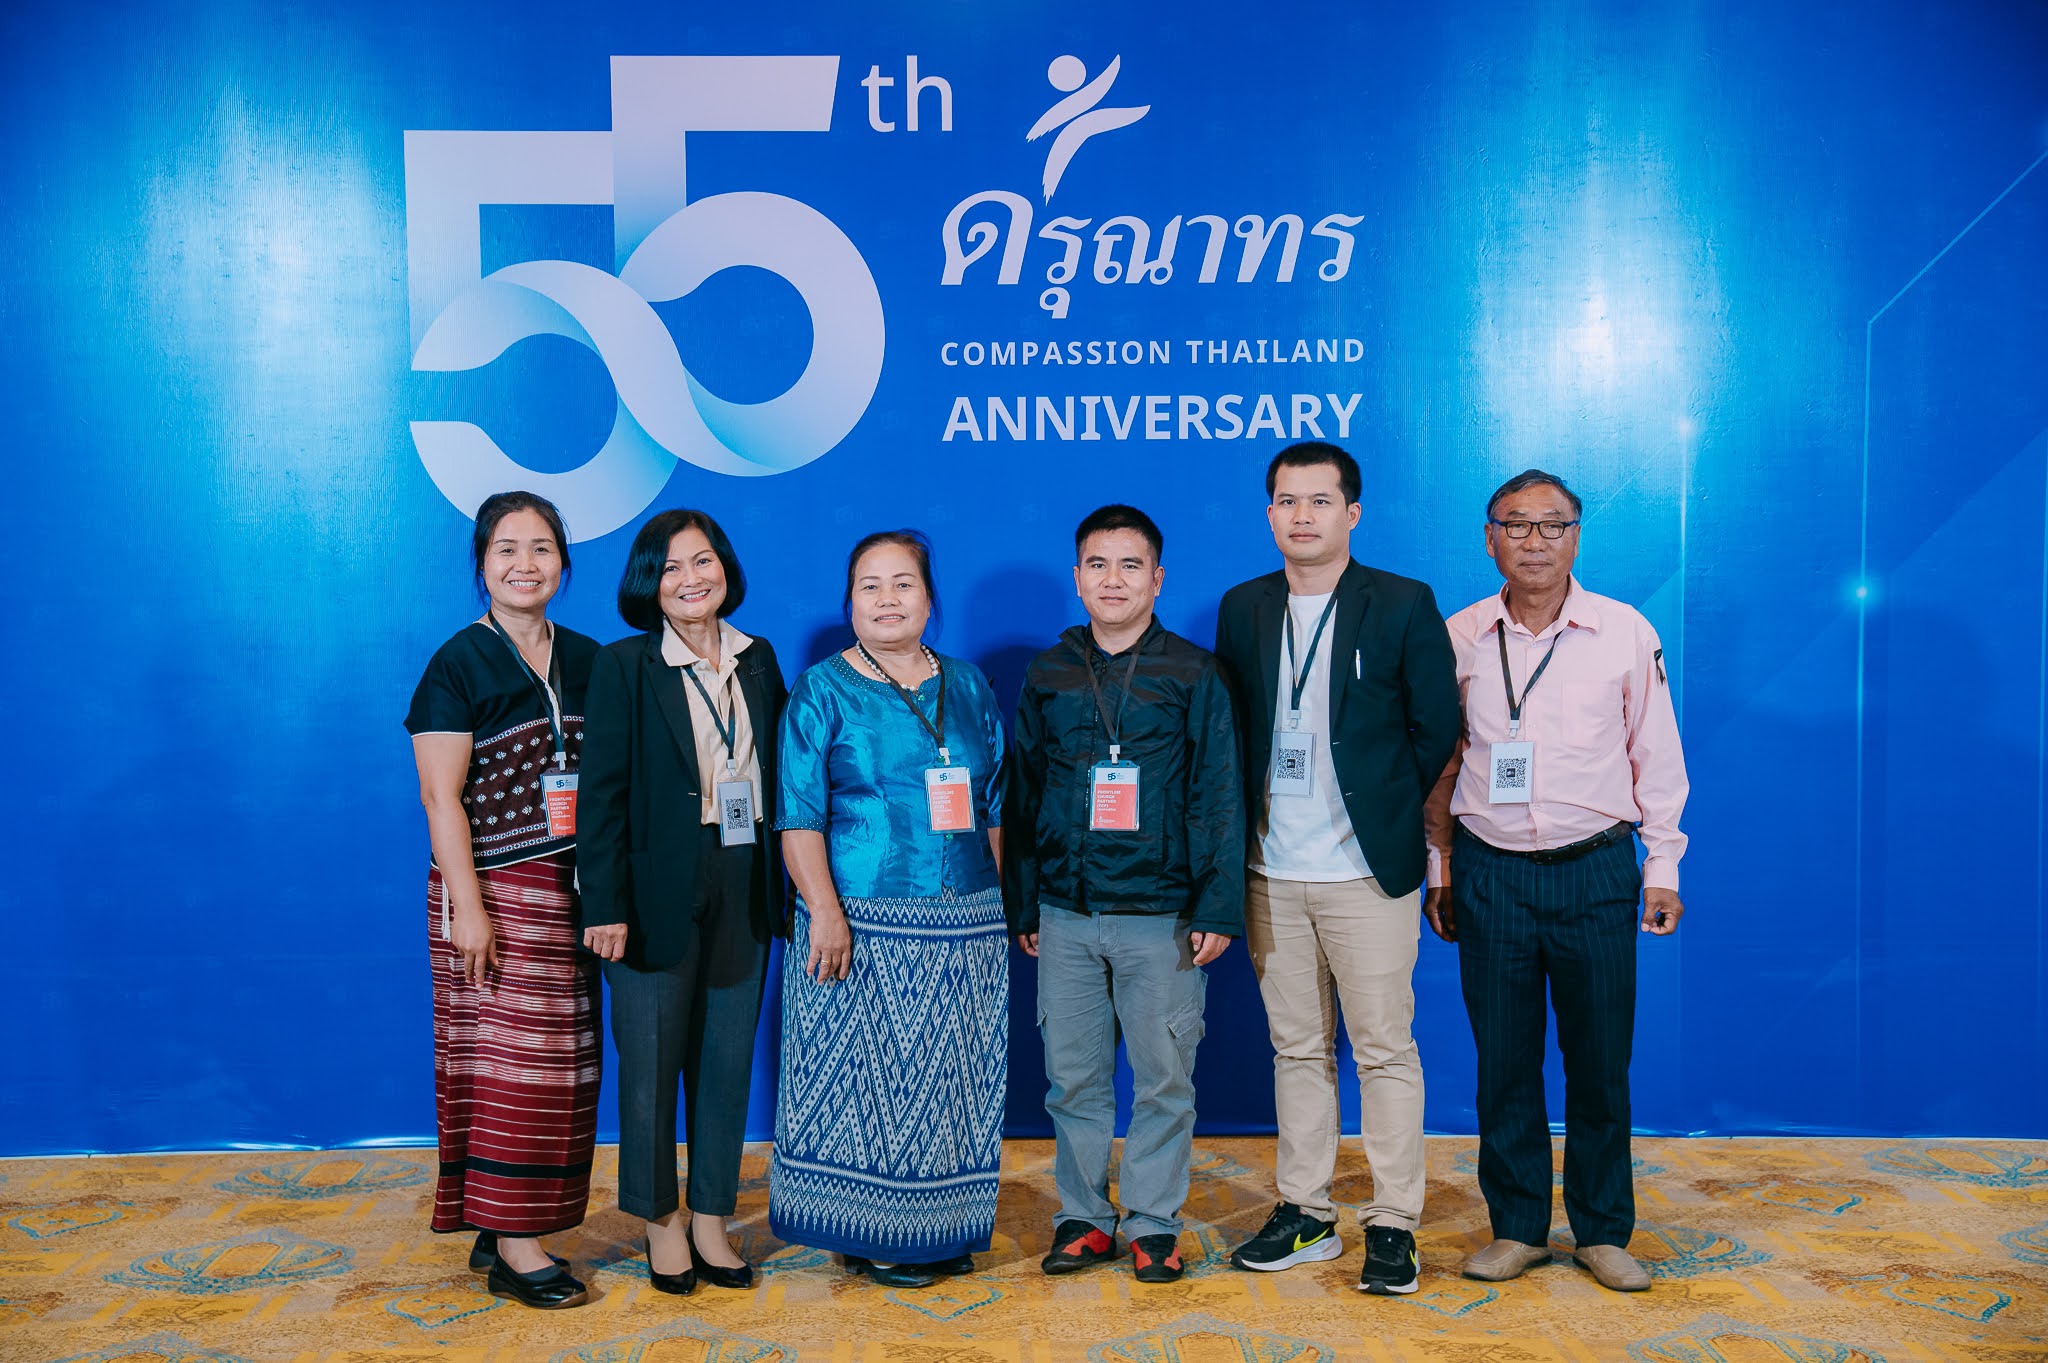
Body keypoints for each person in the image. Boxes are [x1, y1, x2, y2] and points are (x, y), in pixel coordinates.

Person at [1422, 470, 1688, 1294]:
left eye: (1552, 525)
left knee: (1600, 1061)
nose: (1534, 541)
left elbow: (1656, 753)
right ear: (1490, 537)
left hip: (1596, 870)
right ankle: (1518, 1226)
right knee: (1504, 1061)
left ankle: (1603, 1230)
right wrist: (1440, 866)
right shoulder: (1459, 635)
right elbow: (1440, 763)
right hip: (1490, 871)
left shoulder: (1622, 630)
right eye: (1516, 524)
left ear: (1576, 536)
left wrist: (1662, 864)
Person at [1212, 442, 1461, 1295]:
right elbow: (1235, 729)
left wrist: (1385, 808)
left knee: (1385, 1049)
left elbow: (1436, 726)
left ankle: (1393, 1221)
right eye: (1287, 501)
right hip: (1270, 870)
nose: (1303, 515)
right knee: (1297, 1049)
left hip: (1365, 870)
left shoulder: (1401, 601)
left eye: (1320, 501)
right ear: (1269, 514)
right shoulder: (1243, 606)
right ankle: (1307, 1211)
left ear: (1352, 513)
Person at [1006, 504, 1244, 1285]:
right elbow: (1023, 791)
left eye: (1131, 565)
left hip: (1162, 915)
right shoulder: (1048, 671)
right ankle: (1083, 1217)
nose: (1114, 580)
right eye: (1098, 565)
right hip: (1065, 913)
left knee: (1164, 1079)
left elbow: (1219, 791)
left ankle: (1152, 1223)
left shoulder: (1195, 672)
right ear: (1077, 577)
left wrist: (1217, 904)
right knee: (1072, 1079)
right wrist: (1024, 901)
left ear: (1158, 579)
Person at [768, 530, 1009, 1288]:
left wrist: (1000, 904)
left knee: (954, 1079)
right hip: (859, 918)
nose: (887, 599)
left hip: (966, 919)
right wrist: (823, 910)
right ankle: (869, 1233)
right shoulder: (821, 689)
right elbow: (798, 814)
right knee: (865, 1082)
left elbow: (994, 802)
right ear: (849, 602)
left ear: (929, 598)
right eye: (869, 586)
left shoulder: (967, 685)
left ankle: (937, 1228)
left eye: (903, 583)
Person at [576, 509, 787, 1297]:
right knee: (652, 1063)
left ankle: (711, 1217)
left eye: (703, 561)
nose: (691, 578)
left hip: (743, 871)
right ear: (648, 583)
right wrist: (603, 902)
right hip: (650, 887)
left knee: (726, 1059)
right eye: (670, 567)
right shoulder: (624, 665)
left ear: (725, 566)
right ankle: (660, 1219)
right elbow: (600, 797)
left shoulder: (758, 658)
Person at [404, 491, 601, 1311]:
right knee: (509, 1070)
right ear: (482, 563)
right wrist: (470, 906)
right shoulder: (457, 663)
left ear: (564, 562)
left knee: (566, 1068)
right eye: (507, 548)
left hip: (574, 892)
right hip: (491, 892)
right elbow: (439, 797)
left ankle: (502, 1221)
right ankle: (518, 1245)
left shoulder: (590, 657)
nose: (526, 563)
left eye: (542, 547)